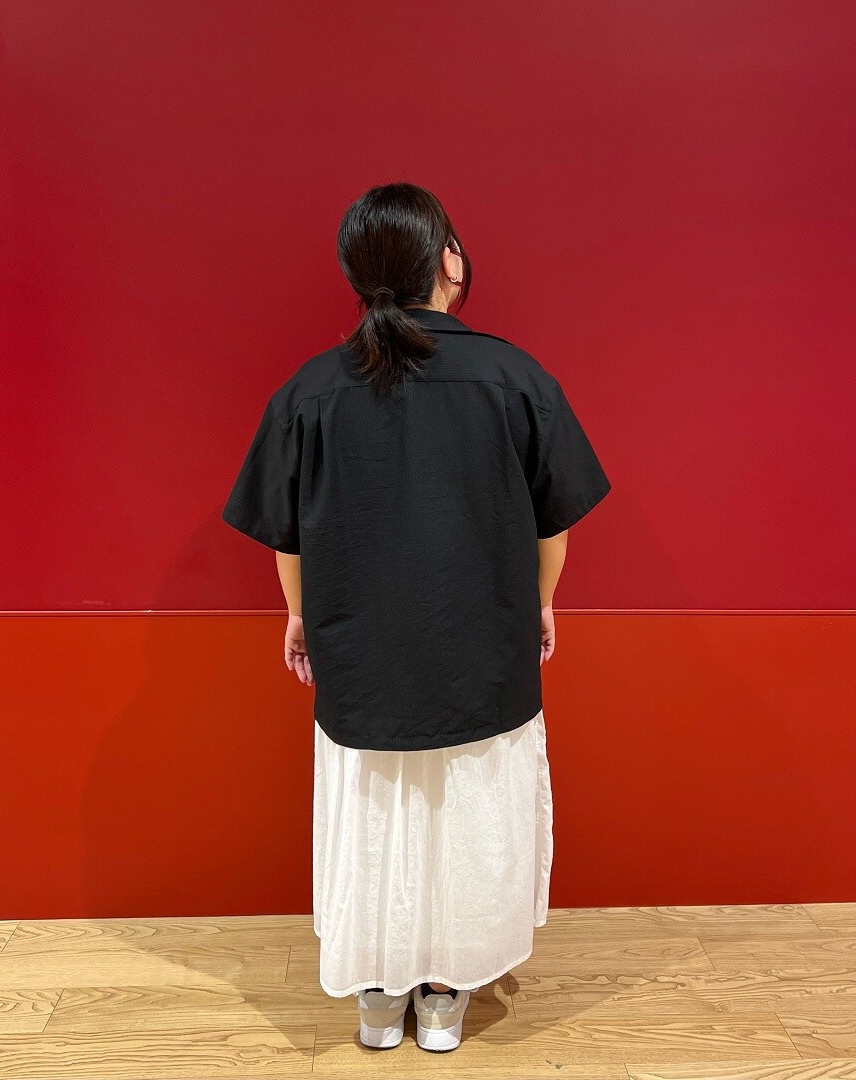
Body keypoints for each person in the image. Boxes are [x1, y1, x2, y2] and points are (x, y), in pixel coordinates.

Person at [221, 182, 611, 1051]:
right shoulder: (514, 378)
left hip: (360, 658)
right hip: (484, 651)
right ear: (449, 263)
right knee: (470, 813)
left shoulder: (311, 391)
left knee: (372, 815)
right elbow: (554, 523)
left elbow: (288, 536)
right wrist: (540, 602)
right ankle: (444, 996)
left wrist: (299, 616)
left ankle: (376, 995)